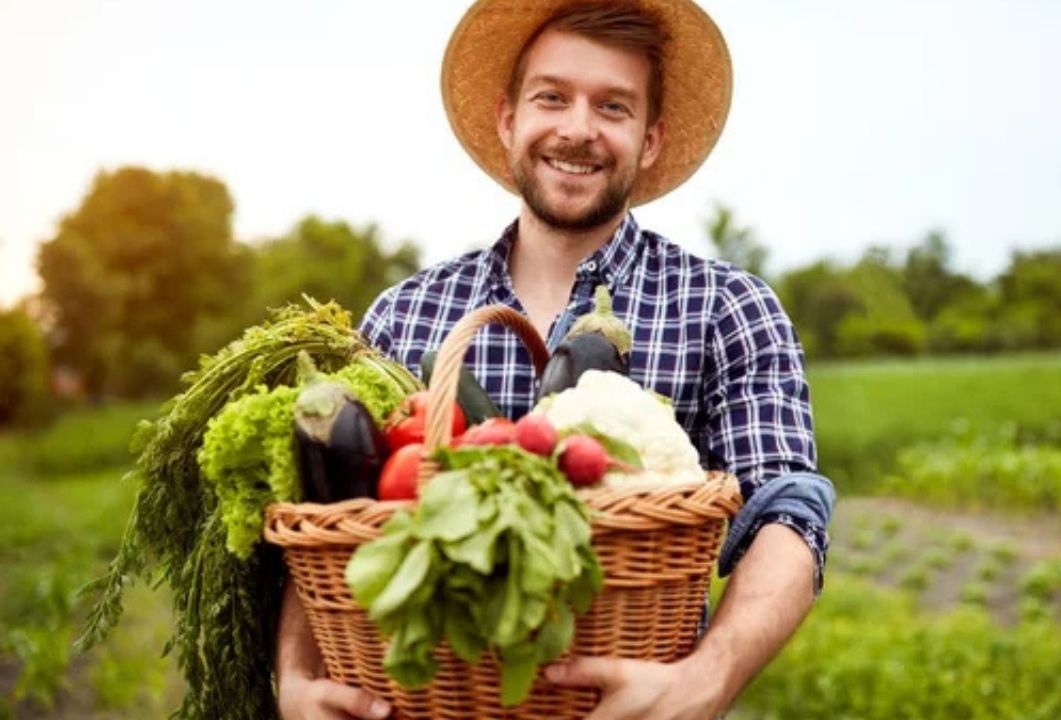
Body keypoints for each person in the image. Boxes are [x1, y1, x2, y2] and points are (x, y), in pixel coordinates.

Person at [276, 1, 834, 718]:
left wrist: (708, 678)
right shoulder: (402, 315)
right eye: (552, 97)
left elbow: (789, 513)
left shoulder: (729, 307)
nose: (578, 128)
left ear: (651, 138)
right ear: (509, 119)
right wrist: (295, 674)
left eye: (613, 106)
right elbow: (322, 516)